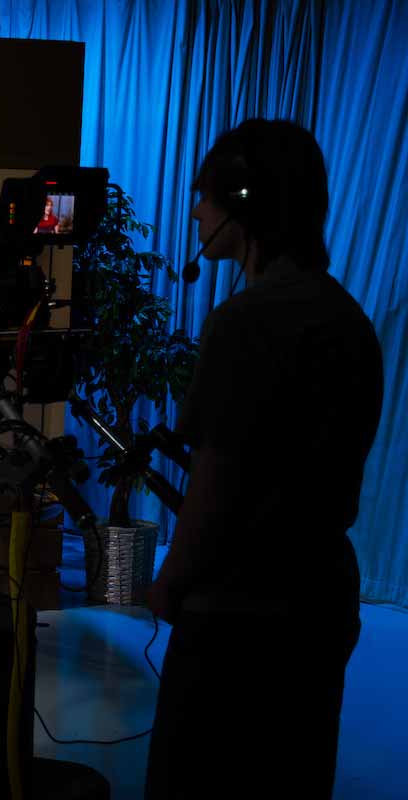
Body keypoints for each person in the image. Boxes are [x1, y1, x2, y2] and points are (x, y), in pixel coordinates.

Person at [144, 119, 384, 799]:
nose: (194, 210)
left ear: (243, 202)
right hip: (321, 602)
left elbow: (218, 486)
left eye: (204, 196)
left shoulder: (246, 322)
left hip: (239, 621)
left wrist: (168, 582)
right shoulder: (349, 320)